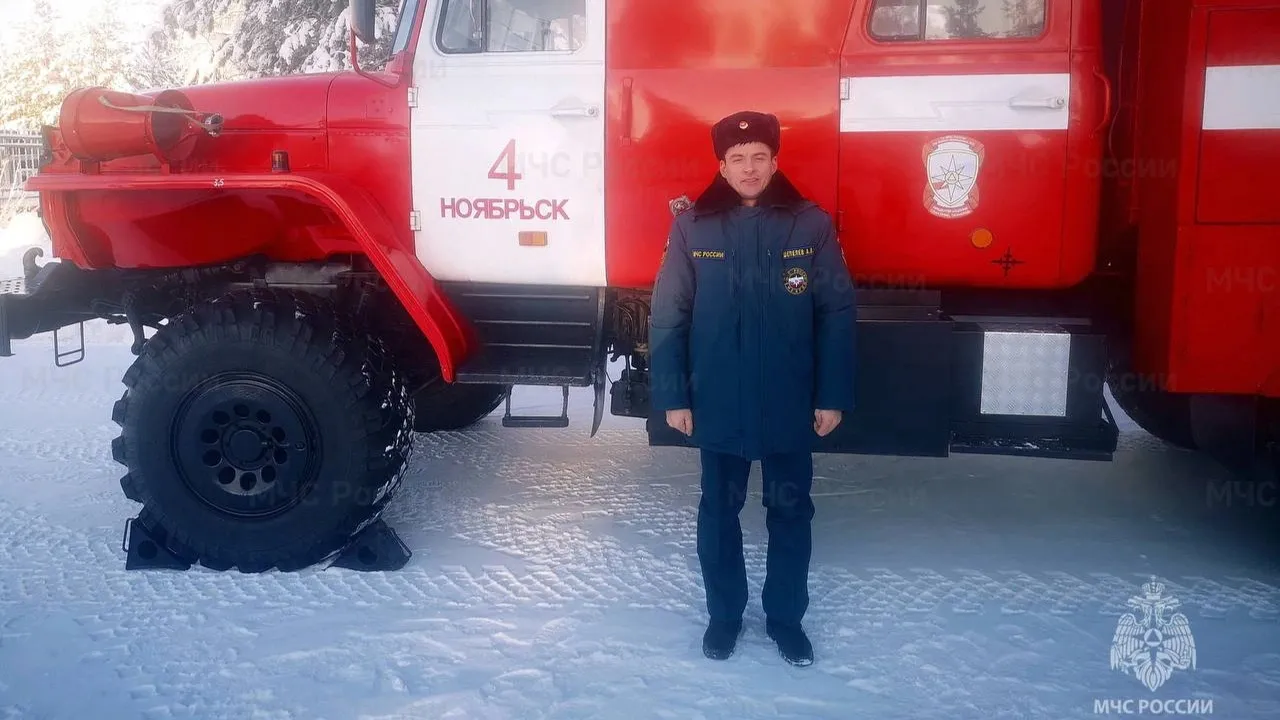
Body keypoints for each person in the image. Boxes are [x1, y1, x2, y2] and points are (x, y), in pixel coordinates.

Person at [648, 110, 857, 666]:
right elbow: (669, 315)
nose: (749, 168)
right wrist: (673, 397)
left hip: (790, 401)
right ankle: (724, 617)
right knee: (719, 512)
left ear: (774, 162)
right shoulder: (693, 225)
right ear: (721, 166)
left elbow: (836, 312)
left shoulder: (809, 224)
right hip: (717, 402)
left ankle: (786, 621)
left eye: (759, 157)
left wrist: (831, 395)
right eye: (737, 159)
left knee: (790, 512)